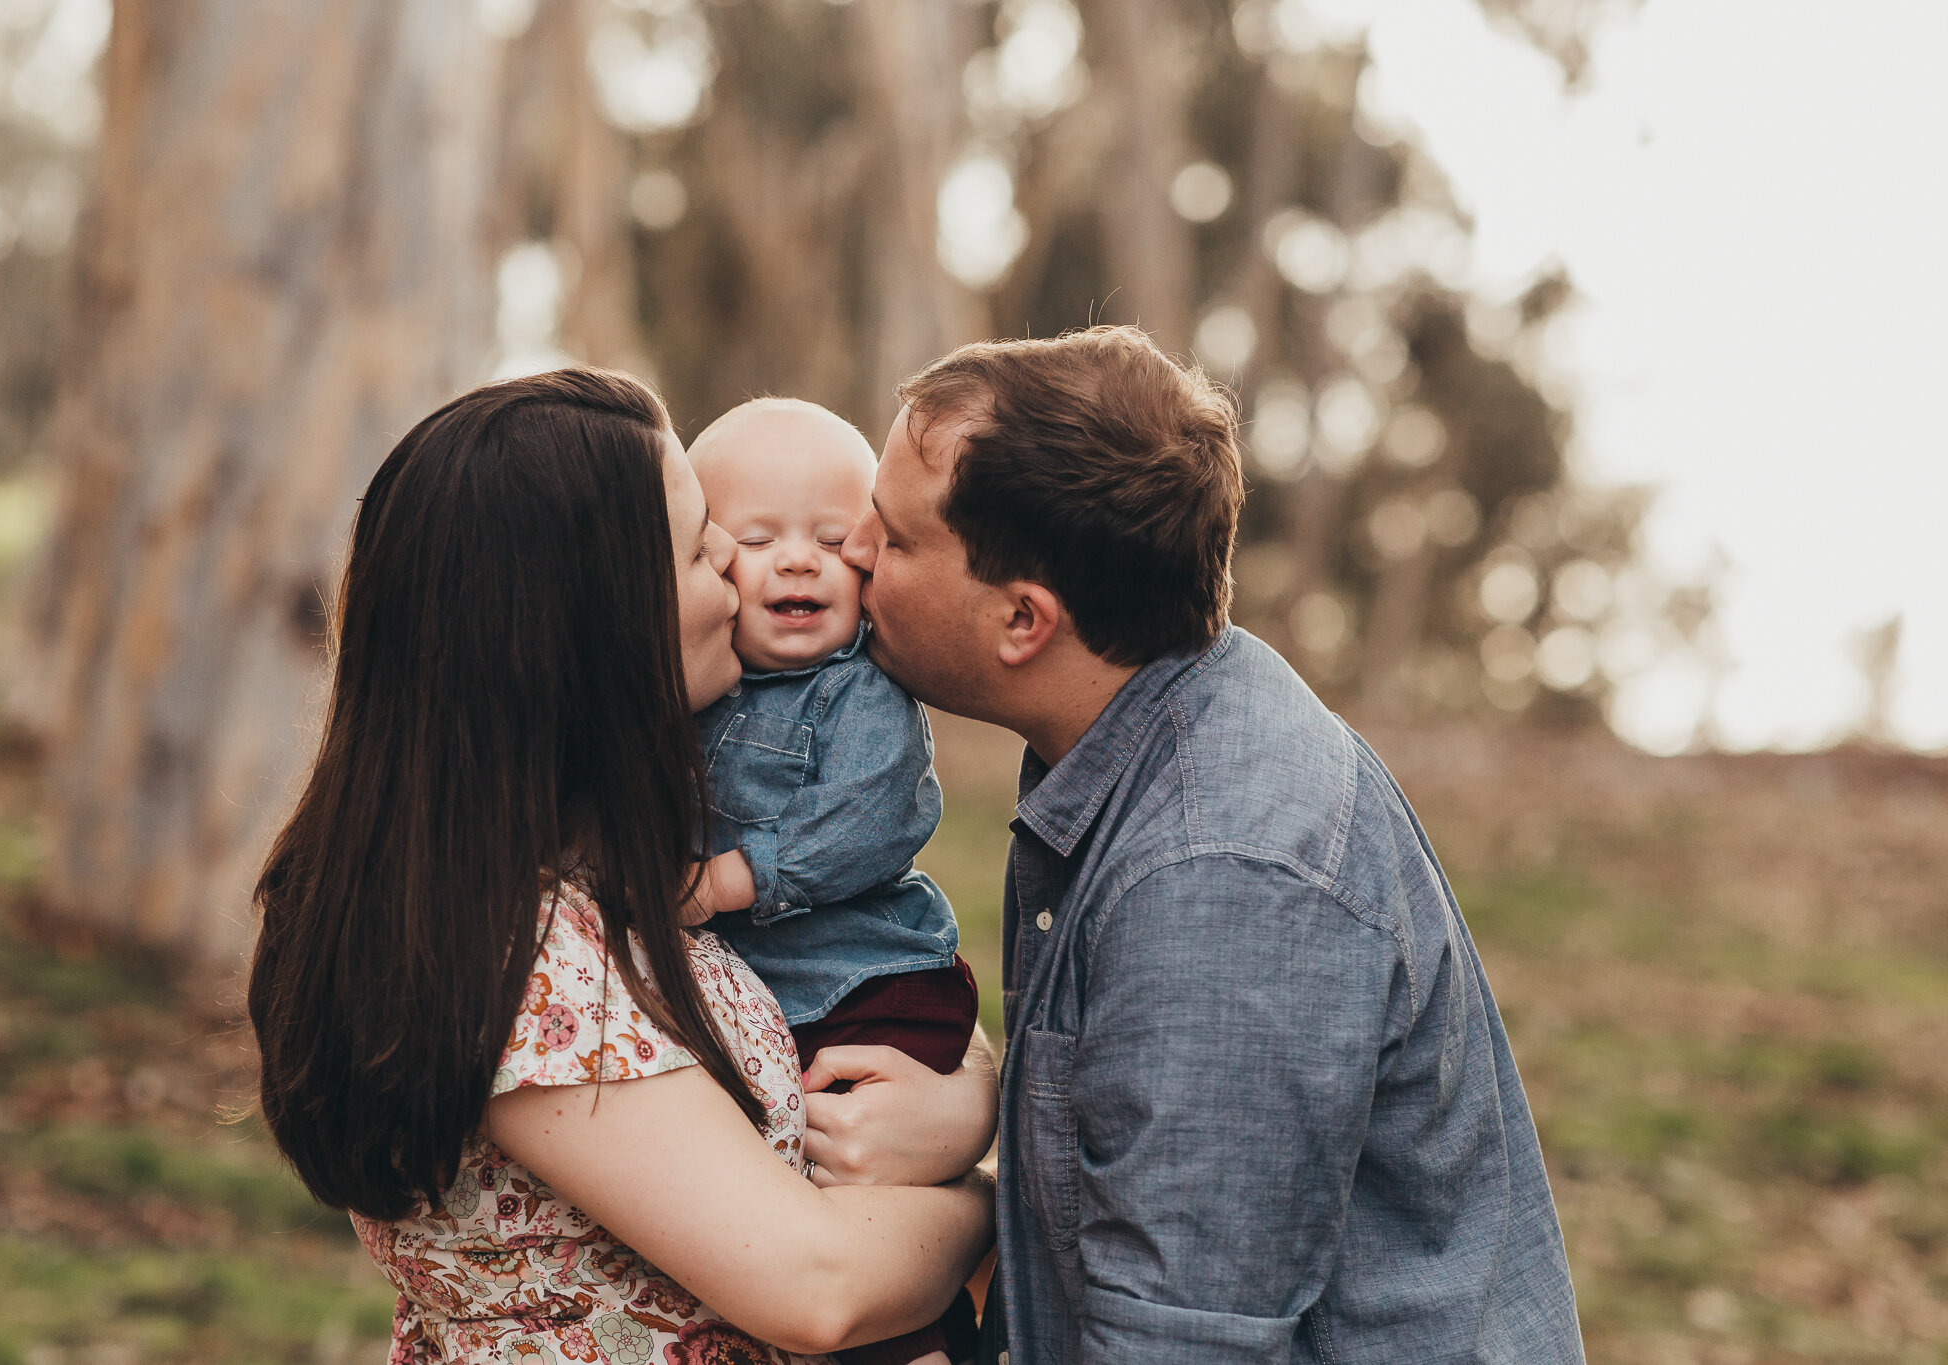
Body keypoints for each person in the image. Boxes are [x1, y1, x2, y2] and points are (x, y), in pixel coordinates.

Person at [811, 326, 1587, 1363]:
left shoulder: (1216, 876)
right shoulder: (1154, 721)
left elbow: (1176, 1342)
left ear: (1021, 621)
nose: (853, 550)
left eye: (897, 539)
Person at [246, 369, 997, 1365]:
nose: (741, 563)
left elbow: (852, 972)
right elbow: (818, 1287)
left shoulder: (602, 870)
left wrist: (963, 1098)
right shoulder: (523, 956)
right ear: (596, 625)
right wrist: (989, 1193)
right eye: (701, 544)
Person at [681, 397, 982, 1365]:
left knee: (859, 1186)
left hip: (869, 990)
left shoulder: (861, 693)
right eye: (756, 539)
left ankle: (921, 1343)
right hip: (768, 1000)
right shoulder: (697, 689)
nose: (799, 561)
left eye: (830, 539)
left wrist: (729, 880)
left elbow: (872, 820)